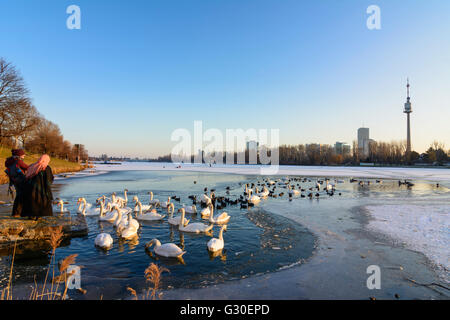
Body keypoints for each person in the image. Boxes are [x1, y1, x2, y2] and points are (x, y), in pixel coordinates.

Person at [4, 149, 29, 217]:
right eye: (23, 154)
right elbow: (27, 167)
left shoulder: (9, 161)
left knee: (19, 195)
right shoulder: (19, 161)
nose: (24, 155)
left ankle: (16, 212)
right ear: (19, 155)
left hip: (14, 180)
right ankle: (18, 213)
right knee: (21, 196)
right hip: (20, 180)